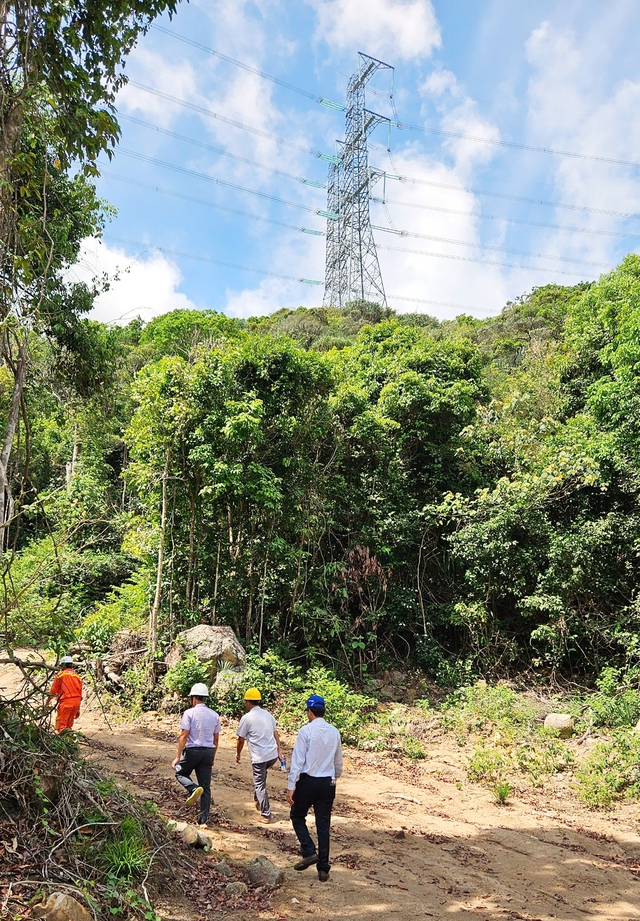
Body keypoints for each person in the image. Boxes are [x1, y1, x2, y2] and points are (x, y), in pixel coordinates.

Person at [286, 694, 343, 883]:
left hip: (308, 781)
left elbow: (298, 761)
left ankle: (309, 851)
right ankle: (323, 868)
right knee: (323, 825)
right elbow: (338, 761)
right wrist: (335, 776)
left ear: (310, 712)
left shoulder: (306, 731)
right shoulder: (334, 731)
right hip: (327, 782)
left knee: (297, 815)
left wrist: (291, 786)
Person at [172, 682, 221, 827]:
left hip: (192, 751)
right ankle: (203, 820)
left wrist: (177, 757)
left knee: (180, 773)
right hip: (208, 752)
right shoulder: (214, 715)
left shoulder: (189, 713)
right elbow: (216, 738)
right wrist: (213, 756)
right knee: (206, 787)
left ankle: (193, 788)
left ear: (194, 698)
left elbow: (184, 735)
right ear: (205, 698)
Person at [235, 687, 284, 824]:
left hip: (259, 757)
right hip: (272, 756)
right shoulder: (268, 715)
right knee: (261, 778)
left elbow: (240, 739)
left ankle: (266, 814)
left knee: (260, 784)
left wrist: (238, 754)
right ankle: (257, 800)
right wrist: (279, 751)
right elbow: (276, 734)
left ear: (248, 702)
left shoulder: (247, 718)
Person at [46, 656, 83, 732]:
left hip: (66, 702)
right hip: (76, 702)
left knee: (61, 724)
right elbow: (79, 692)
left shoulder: (61, 675)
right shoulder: (77, 676)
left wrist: (47, 702)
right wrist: (78, 708)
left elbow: (53, 690)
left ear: (63, 665)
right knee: (69, 724)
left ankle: (63, 741)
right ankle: (69, 741)